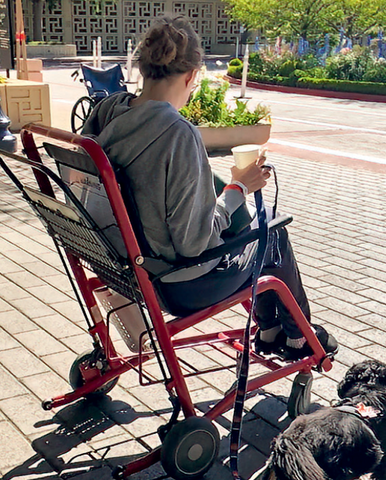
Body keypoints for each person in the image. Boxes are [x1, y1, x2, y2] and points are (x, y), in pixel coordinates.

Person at [81, 15, 336, 361]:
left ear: (143, 69)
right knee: (272, 228)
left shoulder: (108, 111)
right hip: (180, 283)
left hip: (125, 265)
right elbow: (193, 242)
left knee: (262, 225)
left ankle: (270, 329)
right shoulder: (176, 133)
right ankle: (298, 338)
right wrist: (238, 188)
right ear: (191, 76)